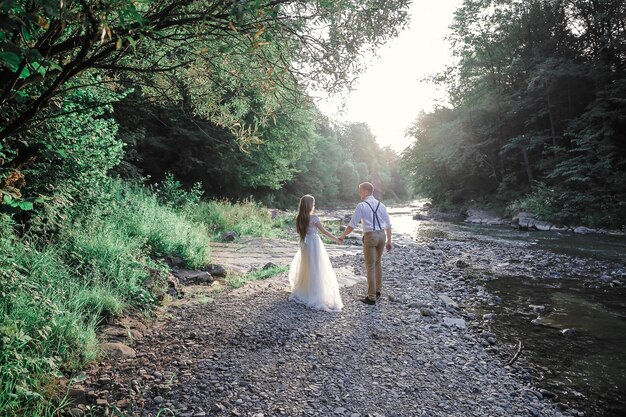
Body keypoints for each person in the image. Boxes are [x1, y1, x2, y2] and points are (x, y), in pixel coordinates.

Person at [339, 182, 392, 305]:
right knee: (378, 263)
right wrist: (389, 241)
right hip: (382, 236)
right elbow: (388, 225)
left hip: (370, 236)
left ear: (367, 191)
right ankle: (378, 290)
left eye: (361, 191)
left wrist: (342, 236)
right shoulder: (381, 205)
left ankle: (371, 297)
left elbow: (352, 224)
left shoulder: (361, 206)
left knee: (370, 266)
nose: (359, 193)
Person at [288, 194, 344, 312]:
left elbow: (299, 231)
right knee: (316, 267)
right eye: (313, 203)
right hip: (314, 243)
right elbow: (324, 232)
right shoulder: (314, 218)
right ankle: (315, 291)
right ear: (310, 205)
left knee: (307, 266)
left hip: (304, 244)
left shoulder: (299, 218)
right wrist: (336, 239)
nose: (314, 205)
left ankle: (305, 289)